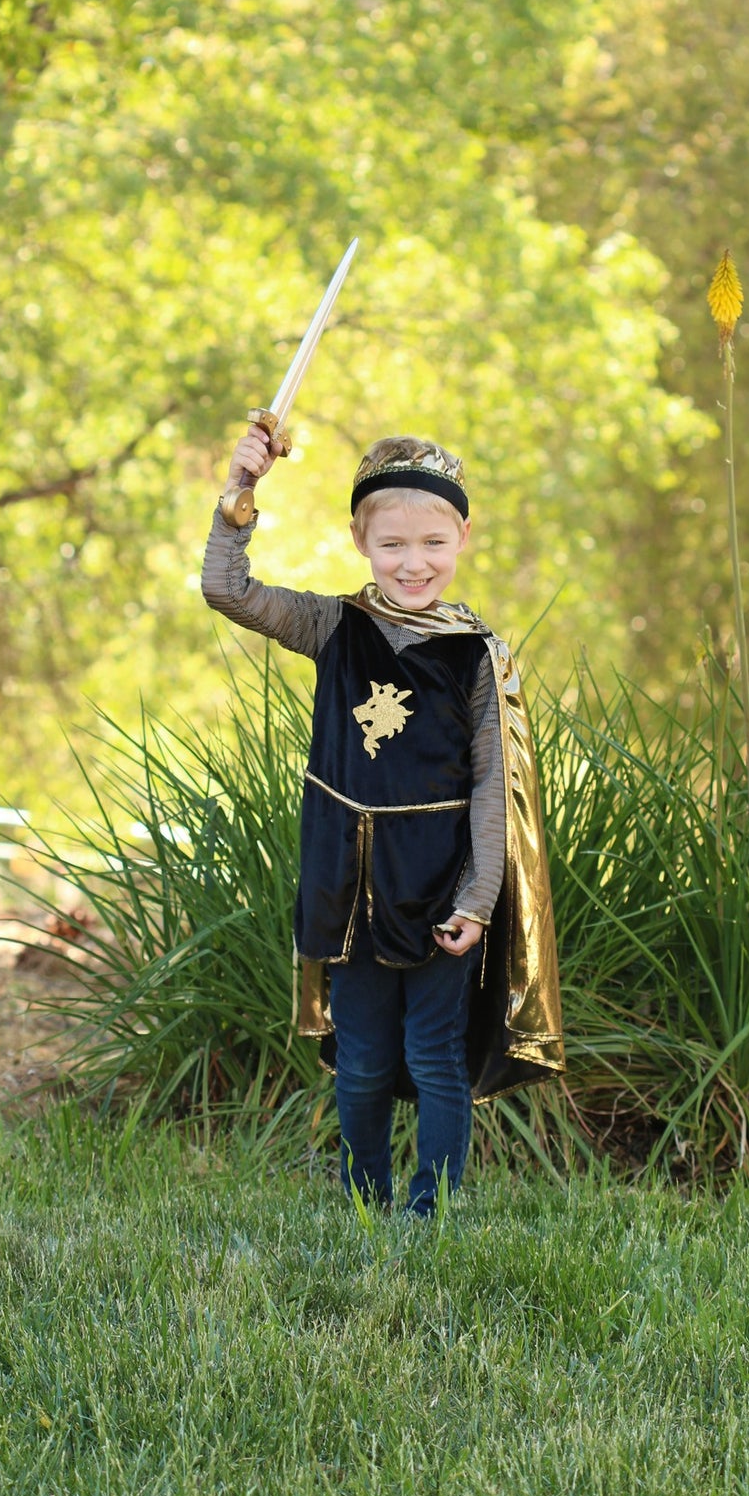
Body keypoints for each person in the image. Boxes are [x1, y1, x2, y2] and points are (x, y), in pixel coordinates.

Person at [202, 426, 563, 1216]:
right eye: (392, 542)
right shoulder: (335, 626)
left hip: (437, 894)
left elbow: (494, 789)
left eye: (434, 541)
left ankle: (429, 1212)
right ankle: (365, 1200)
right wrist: (239, 495)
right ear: (359, 538)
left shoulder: (476, 656)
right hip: (348, 889)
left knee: (435, 1057)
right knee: (362, 1060)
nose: (414, 561)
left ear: (463, 536)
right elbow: (229, 592)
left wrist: (478, 897)